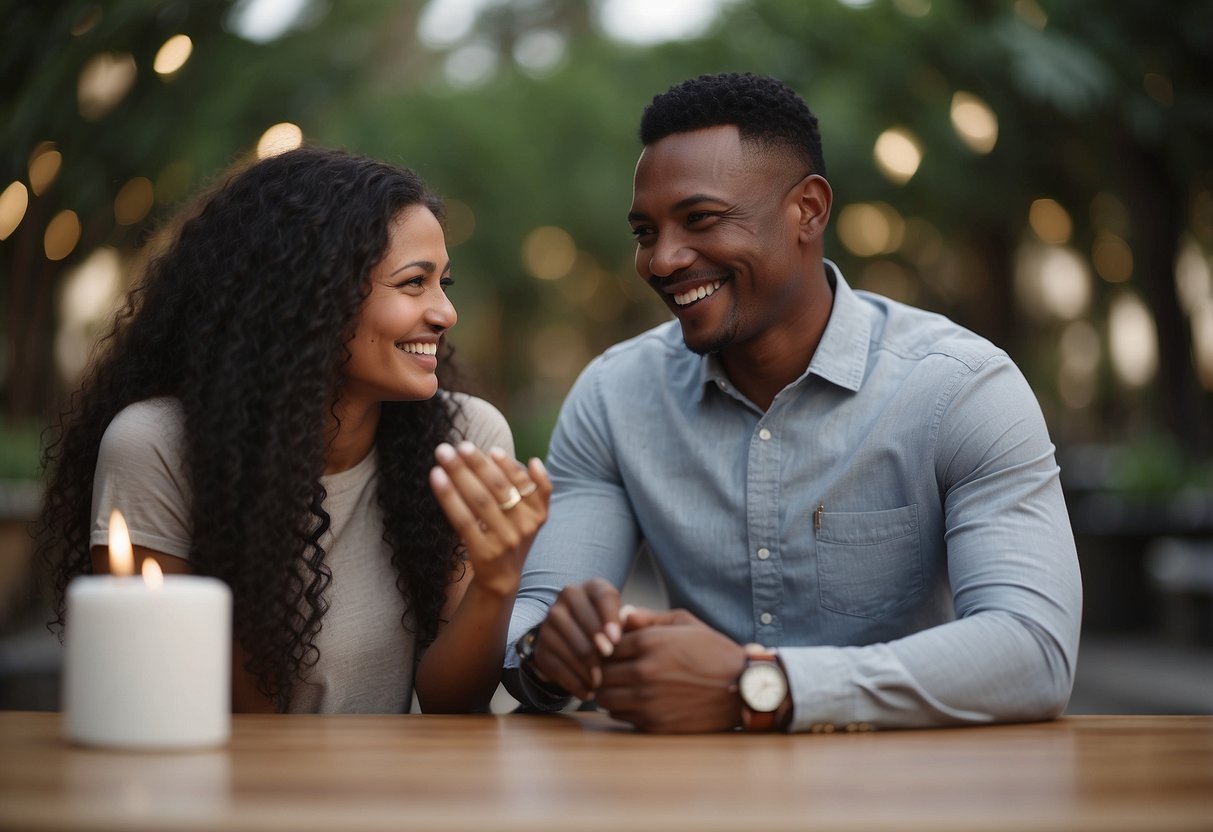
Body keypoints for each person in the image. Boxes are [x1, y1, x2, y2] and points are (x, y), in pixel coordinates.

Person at [503, 72, 1082, 733]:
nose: (661, 261)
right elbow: (535, 622)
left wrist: (758, 688)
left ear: (806, 209)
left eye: (699, 220)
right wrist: (550, 653)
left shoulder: (958, 387)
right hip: (689, 793)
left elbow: (1031, 651)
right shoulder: (613, 397)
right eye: (644, 232)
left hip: (909, 791)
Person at [38, 146, 551, 714]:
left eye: (443, 283)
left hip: (395, 793)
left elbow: (451, 703)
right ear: (311, 295)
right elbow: (184, 704)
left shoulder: (464, 438)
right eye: (413, 283)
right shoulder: (158, 446)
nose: (445, 313)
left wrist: (497, 582)